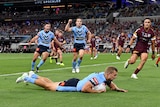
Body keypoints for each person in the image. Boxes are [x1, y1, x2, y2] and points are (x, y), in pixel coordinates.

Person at [16, 66, 127, 93]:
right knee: (49, 87)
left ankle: (33, 75)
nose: (115, 77)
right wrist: (96, 92)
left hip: (75, 82)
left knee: (52, 83)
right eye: (114, 75)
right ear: (109, 74)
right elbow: (84, 89)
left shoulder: (104, 76)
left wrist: (118, 89)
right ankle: (26, 77)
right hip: (74, 86)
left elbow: (110, 84)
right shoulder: (97, 79)